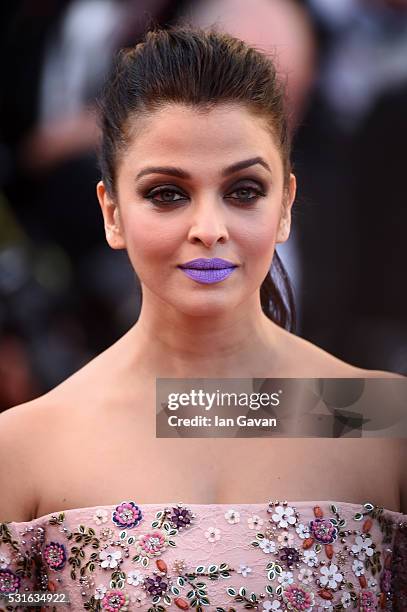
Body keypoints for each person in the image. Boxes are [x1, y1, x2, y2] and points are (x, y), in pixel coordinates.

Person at [0, 25, 406, 611]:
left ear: (285, 205)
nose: (209, 228)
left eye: (243, 191)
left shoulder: (381, 421)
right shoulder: (26, 446)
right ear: (111, 212)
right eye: (167, 193)